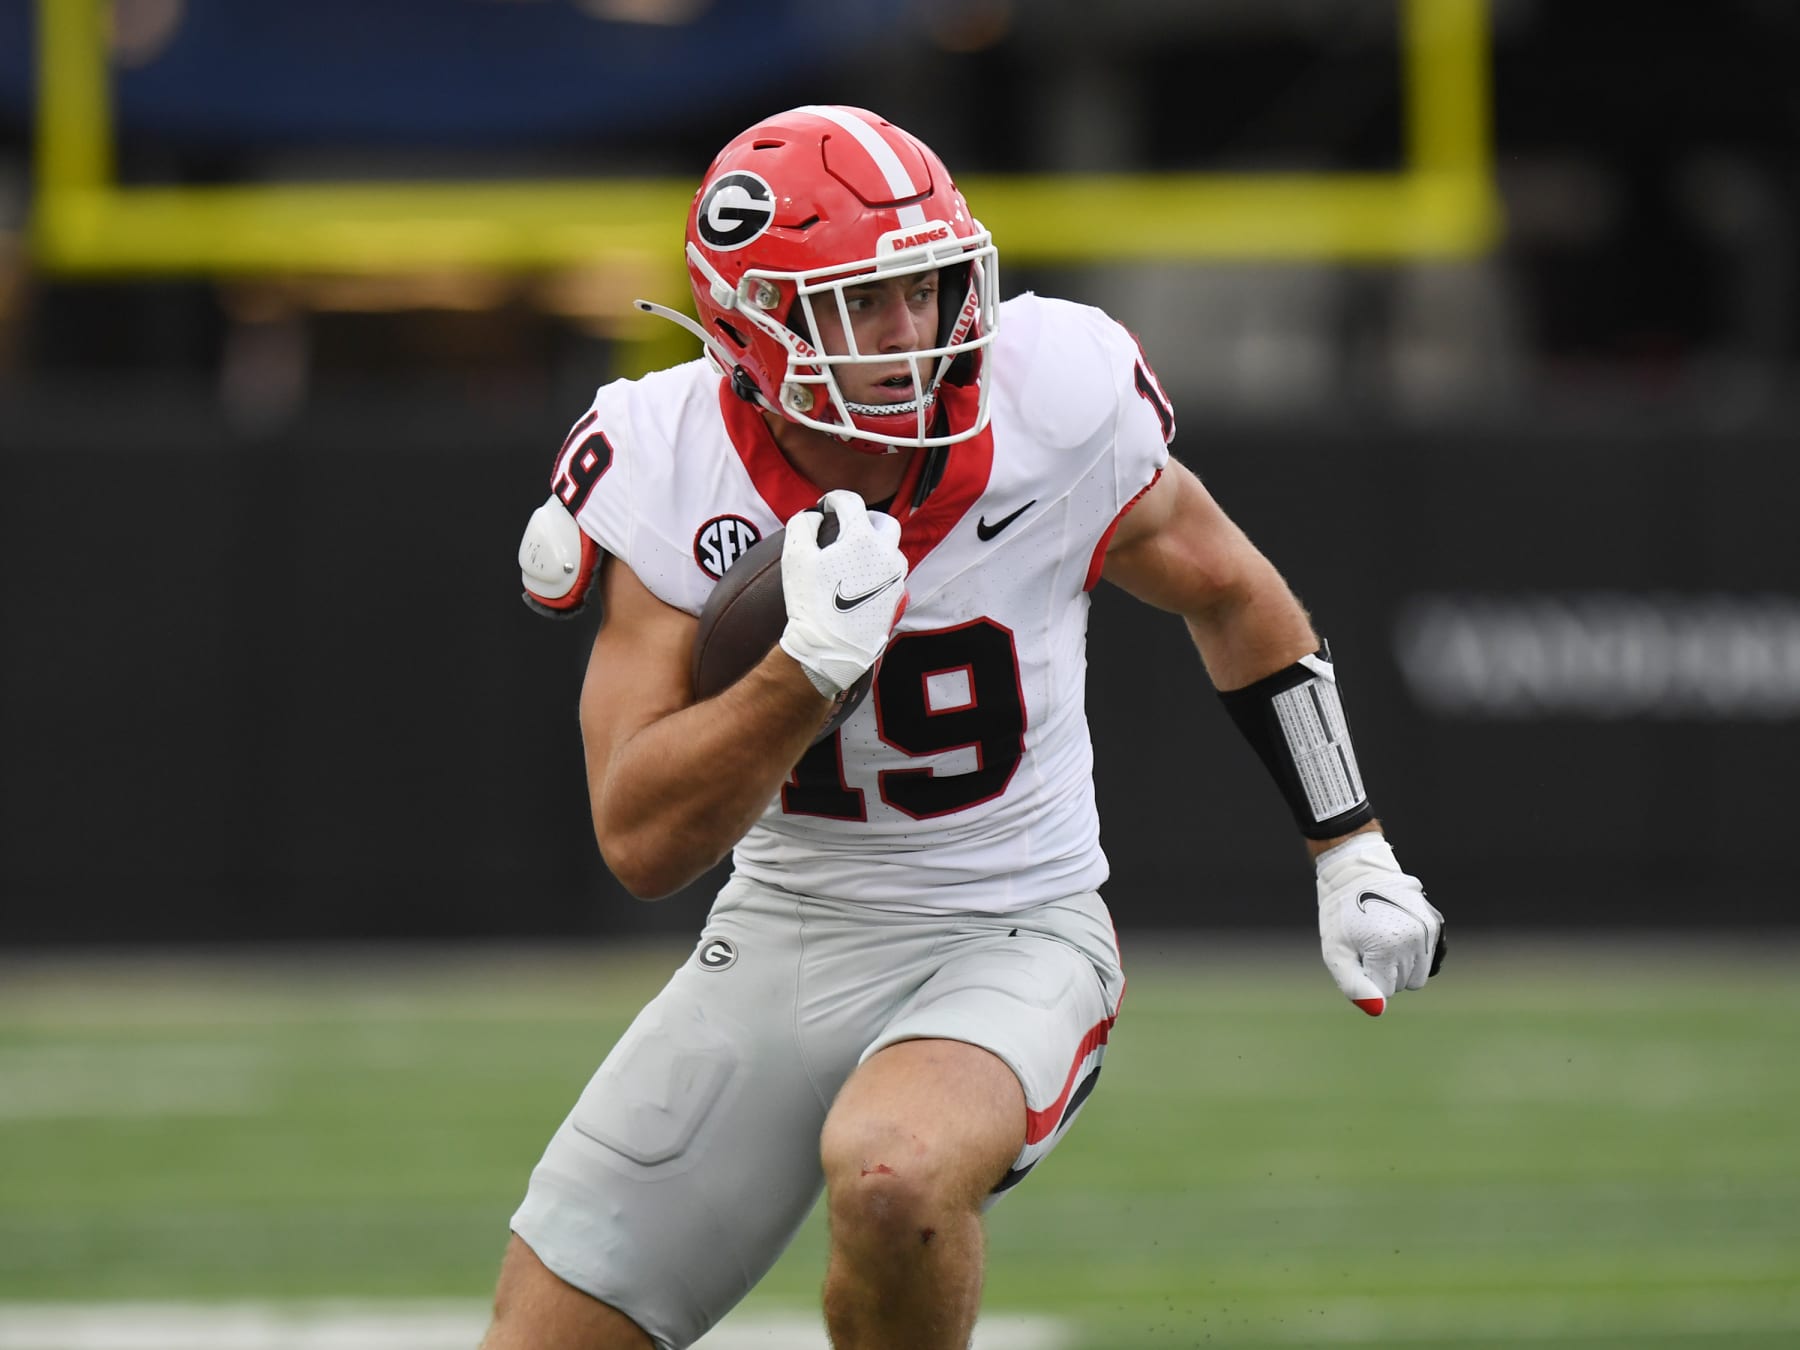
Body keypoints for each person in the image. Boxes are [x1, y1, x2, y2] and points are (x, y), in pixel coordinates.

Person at [491, 104, 1445, 1350]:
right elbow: (640, 839)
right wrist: (802, 672)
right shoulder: (665, 462)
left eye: (928, 285)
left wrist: (1350, 842)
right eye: (860, 303)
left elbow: (1232, 591)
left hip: (1013, 925)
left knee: (894, 1176)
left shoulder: (1054, 399)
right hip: (783, 936)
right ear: (752, 325)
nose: (910, 331)